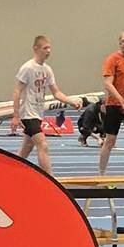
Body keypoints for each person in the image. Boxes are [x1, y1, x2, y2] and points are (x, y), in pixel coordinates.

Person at [11, 35, 82, 174]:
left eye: (49, 48)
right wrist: (16, 116)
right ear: (36, 49)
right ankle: (50, 178)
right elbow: (17, 91)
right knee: (42, 145)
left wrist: (71, 101)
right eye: (45, 48)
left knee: (25, 150)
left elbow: (56, 92)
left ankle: (10, 174)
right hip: (28, 114)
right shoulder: (27, 68)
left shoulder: (47, 70)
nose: (48, 51)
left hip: (38, 113)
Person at [99, 32, 124, 174]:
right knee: (110, 140)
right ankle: (101, 174)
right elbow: (108, 84)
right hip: (114, 104)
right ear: (119, 42)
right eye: (123, 41)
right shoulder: (112, 59)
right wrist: (121, 100)